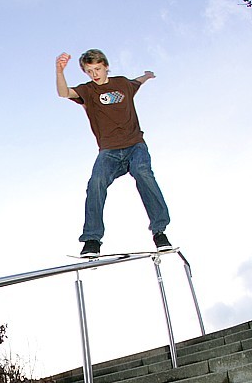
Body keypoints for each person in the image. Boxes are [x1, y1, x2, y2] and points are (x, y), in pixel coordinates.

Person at [56, 49, 172, 257]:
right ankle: (92, 239)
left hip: (135, 145)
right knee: (95, 183)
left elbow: (138, 81)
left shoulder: (123, 84)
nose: (95, 74)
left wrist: (147, 75)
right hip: (109, 152)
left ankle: (159, 232)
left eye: (98, 69)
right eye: (90, 71)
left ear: (106, 66)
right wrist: (59, 71)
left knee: (143, 173)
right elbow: (64, 93)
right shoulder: (88, 91)